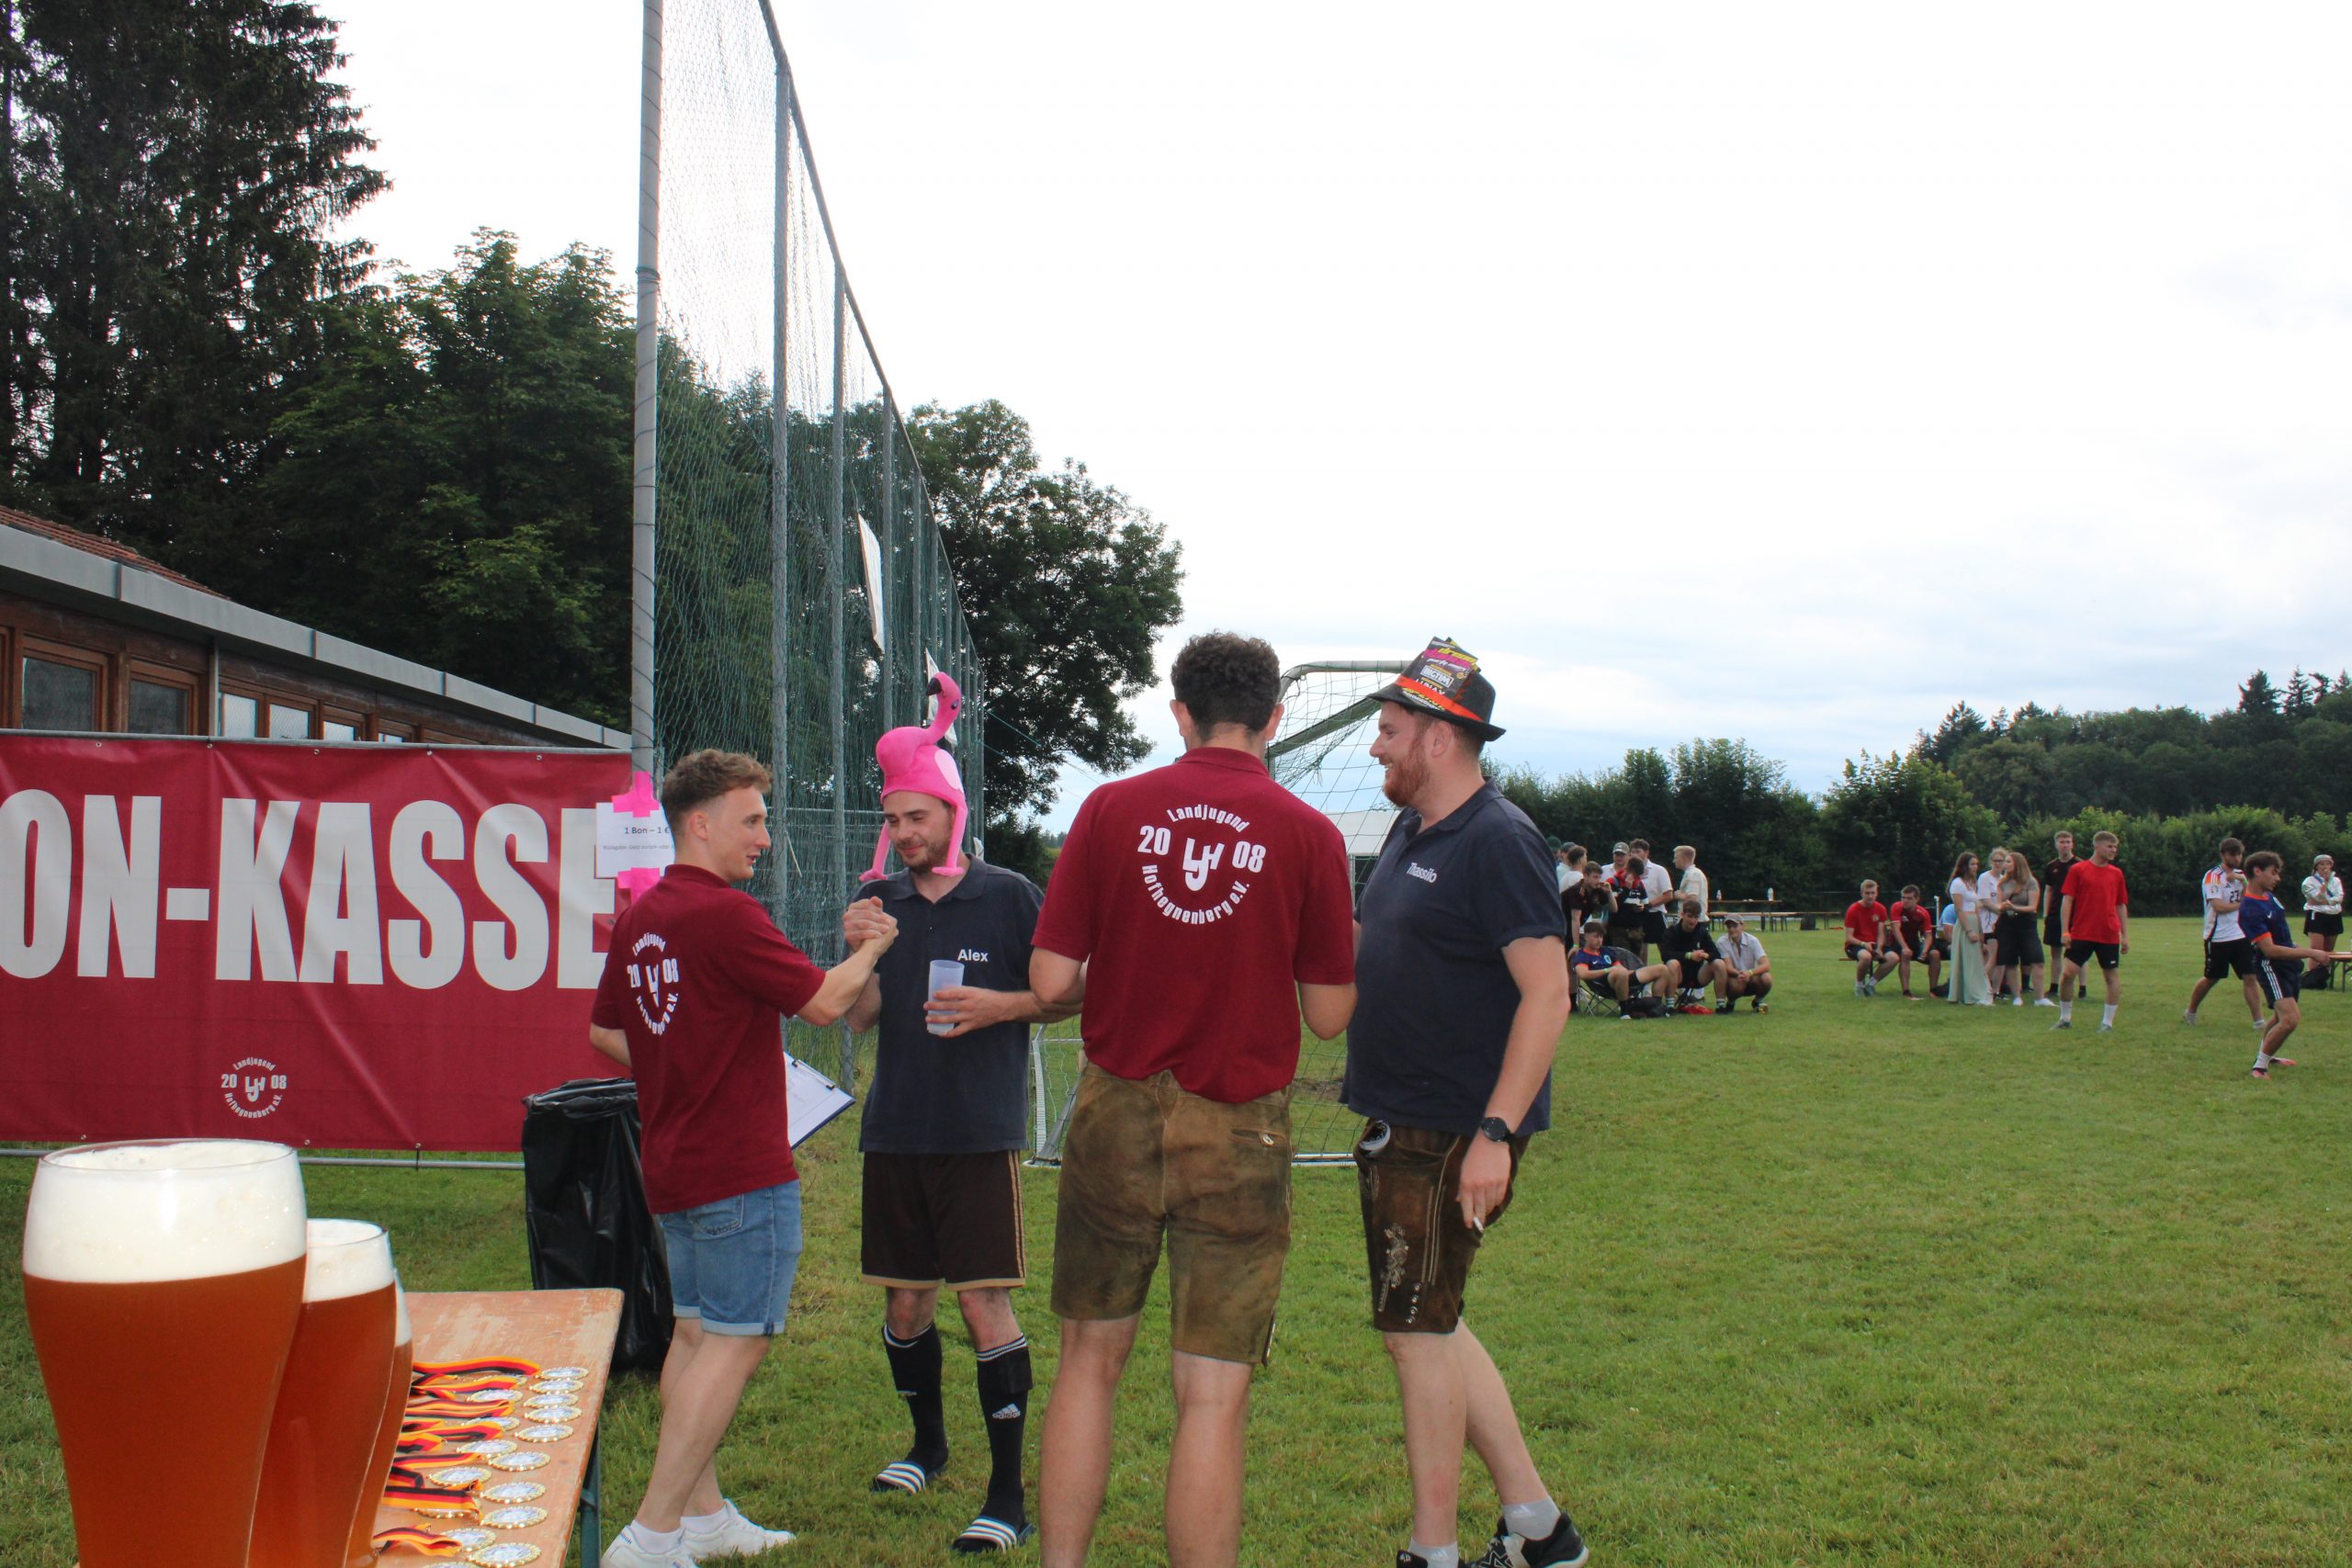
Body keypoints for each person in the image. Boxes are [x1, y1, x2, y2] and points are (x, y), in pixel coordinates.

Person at [1028, 632, 1356, 1568]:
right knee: (1211, 1395)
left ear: (1180, 712)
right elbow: (1329, 1015)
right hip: (1241, 1126)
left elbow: (1049, 980)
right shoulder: (1310, 834)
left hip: (1115, 1112)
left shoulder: (1110, 808)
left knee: (1088, 1364)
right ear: (1274, 718)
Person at [589, 750, 899, 1568]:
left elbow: (606, 1031)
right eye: (752, 819)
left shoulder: (643, 916)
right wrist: (871, 947)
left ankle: (704, 1518)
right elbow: (826, 1001)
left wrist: (679, 1061)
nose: (764, 836)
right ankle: (651, 1535)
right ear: (701, 823)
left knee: (695, 1337)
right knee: (736, 1341)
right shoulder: (726, 915)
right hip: (739, 1168)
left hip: (674, 1163)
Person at [1345, 637, 1588, 1568]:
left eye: (1388, 729)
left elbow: (1548, 994)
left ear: (1439, 738)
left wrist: (1494, 1132)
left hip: (1451, 1130)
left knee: (1416, 1336)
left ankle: (1432, 1551)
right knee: (1432, 1322)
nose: (1376, 745)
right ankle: (1537, 1528)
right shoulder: (1411, 829)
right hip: (1404, 1118)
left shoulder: (1499, 839)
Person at [840, 709, 1072, 1553]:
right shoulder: (879, 900)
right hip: (895, 1130)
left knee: (982, 1303)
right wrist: (859, 953)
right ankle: (927, 1446)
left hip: (978, 1134)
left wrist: (999, 1005)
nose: (904, 832)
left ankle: (1007, 1495)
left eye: (918, 816)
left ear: (952, 811)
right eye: (893, 819)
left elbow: (1070, 991)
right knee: (906, 1304)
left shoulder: (1007, 895)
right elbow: (859, 1016)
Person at [2240, 850, 2352, 1077]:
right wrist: (2311, 952)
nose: (2277, 878)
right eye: (2273, 872)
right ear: (2257, 871)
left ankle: (2267, 1056)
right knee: (2290, 1019)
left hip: (2288, 964)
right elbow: (2269, 949)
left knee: (2281, 1016)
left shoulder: (2269, 897)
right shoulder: (2250, 908)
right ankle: (2259, 1067)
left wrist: (2294, 948)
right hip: (2272, 966)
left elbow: (2279, 932)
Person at [2053, 830, 2129, 1032]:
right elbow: (2067, 900)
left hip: (2108, 934)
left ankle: (2107, 1023)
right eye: (2109, 846)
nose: (2113, 850)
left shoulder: (2116, 874)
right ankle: (2065, 1018)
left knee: (2111, 977)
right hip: (2082, 932)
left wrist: (2125, 935)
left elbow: (2120, 904)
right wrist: (2065, 931)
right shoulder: (2078, 870)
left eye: (2115, 847)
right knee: (2067, 974)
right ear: (2097, 846)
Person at [2183, 837, 2261, 1030]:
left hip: (2241, 934)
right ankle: (2191, 1011)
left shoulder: (2241, 875)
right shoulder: (2213, 877)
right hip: (2218, 936)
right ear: (2223, 855)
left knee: (2250, 976)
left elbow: (2250, 896)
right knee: (2212, 978)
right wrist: (2241, 905)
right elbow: (2218, 906)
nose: (2237, 858)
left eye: (2239, 854)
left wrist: (2243, 882)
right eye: (2233, 855)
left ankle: (2258, 1022)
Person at [1570, 917, 1672, 1014]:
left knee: (1662, 969)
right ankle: (1625, 1011)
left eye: (1601, 937)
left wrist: (1632, 972)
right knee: (1619, 972)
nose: (1599, 940)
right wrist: (1607, 970)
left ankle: (1655, 1006)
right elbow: (1583, 974)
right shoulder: (1582, 955)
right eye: (1596, 936)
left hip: (1622, 977)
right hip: (1605, 984)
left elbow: (1620, 967)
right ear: (1586, 936)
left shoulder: (1606, 951)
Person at [1991, 855, 2048, 1006]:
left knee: (2037, 959)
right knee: (2010, 961)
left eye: (2008, 861)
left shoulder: (2030, 882)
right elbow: (1998, 905)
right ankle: (2017, 996)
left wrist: (2014, 907)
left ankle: (2040, 998)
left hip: (2026, 923)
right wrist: (2002, 907)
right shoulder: (2002, 883)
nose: (2005, 864)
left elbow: (2033, 907)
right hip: (2007, 923)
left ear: (2018, 864)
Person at [1658, 897, 1726, 1012]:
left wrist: (1706, 956)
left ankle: (1721, 1006)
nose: (1693, 921)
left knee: (1719, 963)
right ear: (1682, 915)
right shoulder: (1672, 931)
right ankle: (1670, 1006)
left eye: (1696, 917)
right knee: (1672, 963)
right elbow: (1665, 955)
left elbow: (1715, 953)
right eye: (1690, 916)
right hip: (1677, 975)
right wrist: (1689, 955)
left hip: (1698, 975)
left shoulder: (1702, 932)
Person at [1946, 852, 1992, 1006]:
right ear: (1964, 866)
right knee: (1968, 960)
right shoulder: (1957, 884)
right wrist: (1969, 931)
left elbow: (1977, 907)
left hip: (1974, 921)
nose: (1975, 867)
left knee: (1975, 960)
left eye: (1976, 864)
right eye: (1972, 864)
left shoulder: (1972, 883)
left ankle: (1973, 992)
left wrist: (1980, 930)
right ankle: (1973, 995)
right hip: (1965, 923)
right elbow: (1959, 909)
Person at [2040, 831, 2081, 998]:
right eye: (2062, 842)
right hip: (2055, 914)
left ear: (2073, 844)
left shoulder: (2079, 865)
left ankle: (2082, 988)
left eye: (2068, 842)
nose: (2065, 845)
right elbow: (2048, 890)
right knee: (2055, 951)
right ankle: (2054, 986)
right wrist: (2046, 913)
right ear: (2056, 844)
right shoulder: (2051, 866)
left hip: (2075, 915)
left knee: (2077, 952)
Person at [1842, 880, 1897, 997]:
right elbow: (1849, 937)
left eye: (1873, 893)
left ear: (1877, 893)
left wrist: (1879, 948)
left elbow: (1881, 934)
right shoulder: (1853, 909)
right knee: (1866, 957)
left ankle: (1870, 985)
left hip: (1874, 944)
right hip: (1856, 944)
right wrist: (1863, 944)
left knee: (1894, 958)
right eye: (1867, 893)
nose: (1870, 896)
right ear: (1861, 893)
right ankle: (1859, 986)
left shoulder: (1881, 908)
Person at [1888, 886, 1939, 1000]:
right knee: (1906, 953)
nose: (1905, 901)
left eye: (1909, 898)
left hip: (1914, 941)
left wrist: (1925, 950)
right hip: (1897, 942)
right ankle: (1906, 992)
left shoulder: (1923, 913)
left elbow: (1928, 935)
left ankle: (1934, 990)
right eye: (1903, 897)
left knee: (1935, 954)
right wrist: (1905, 947)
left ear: (1917, 899)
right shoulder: (1897, 907)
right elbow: (1896, 930)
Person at [1715, 911, 1773, 1011]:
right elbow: (1728, 967)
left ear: (1742, 926)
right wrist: (1741, 974)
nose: (1731, 929)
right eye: (1729, 927)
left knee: (1767, 978)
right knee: (1737, 984)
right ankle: (1730, 1003)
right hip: (1734, 978)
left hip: (1752, 977)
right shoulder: (1721, 942)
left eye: (1735, 926)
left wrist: (1750, 973)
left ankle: (1758, 1002)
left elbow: (1766, 965)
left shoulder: (1753, 941)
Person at [2300, 853, 2344, 985]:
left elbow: (2339, 897)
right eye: (2322, 864)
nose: (2325, 867)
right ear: (2316, 866)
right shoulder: (2309, 881)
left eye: (2328, 864)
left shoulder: (2336, 881)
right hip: (2317, 914)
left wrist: (2327, 901)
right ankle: (2312, 977)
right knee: (2317, 948)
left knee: (2329, 948)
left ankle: (2324, 976)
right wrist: (2324, 884)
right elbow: (2316, 898)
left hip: (2334, 915)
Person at [1603, 843, 1650, 962]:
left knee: (1635, 962)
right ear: (1627, 870)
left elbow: (1647, 906)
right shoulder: (1612, 882)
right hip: (1618, 930)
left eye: (1637, 876)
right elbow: (1614, 907)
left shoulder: (1639, 884)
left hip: (1636, 931)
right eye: (1633, 874)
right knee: (1623, 961)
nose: (1635, 878)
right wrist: (1626, 889)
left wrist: (1642, 908)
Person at [1631, 839, 1675, 957]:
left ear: (1646, 853)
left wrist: (1648, 905)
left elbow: (1668, 895)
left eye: (1638, 851)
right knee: (1640, 950)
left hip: (1656, 914)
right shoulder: (1629, 872)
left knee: (1665, 950)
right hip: (1637, 915)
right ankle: (1642, 970)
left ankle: (1670, 968)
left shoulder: (1658, 870)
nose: (1634, 854)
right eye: (1632, 852)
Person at [1561, 857, 1613, 947]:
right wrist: (1576, 945)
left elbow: (1614, 909)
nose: (1598, 881)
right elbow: (1575, 919)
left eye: (1599, 877)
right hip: (1562, 926)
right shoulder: (1577, 891)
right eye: (1595, 877)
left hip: (1574, 928)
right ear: (1585, 876)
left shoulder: (1596, 889)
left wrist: (1609, 892)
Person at [1977, 849, 2009, 994]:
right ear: (1991, 861)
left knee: (2002, 959)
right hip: (1989, 924)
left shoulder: (2004, 879)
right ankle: (1980, 986)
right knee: (1992, 957)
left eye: (2000, 861)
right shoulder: (1985, 878)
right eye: (1995, 861)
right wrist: (1999, 910)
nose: (1998, 864)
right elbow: (1985, 901)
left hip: (2002, 923)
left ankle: (1996, 991)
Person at [1671, 844, 1709, 920]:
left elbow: (1692, 899)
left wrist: (1678, 895)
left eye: (1676, 858)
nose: (1674, 861)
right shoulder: (1691, 873)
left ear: (1684, 859)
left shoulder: (1693, 874)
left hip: (1694, 921)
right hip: (1693, 920)